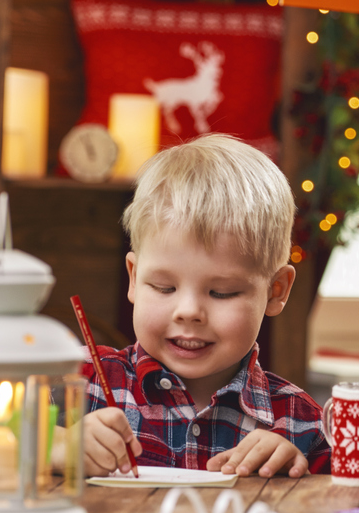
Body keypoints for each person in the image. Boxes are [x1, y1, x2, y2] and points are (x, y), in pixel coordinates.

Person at [80, 134, 331, 478]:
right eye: (164, 287)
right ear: (134, 278)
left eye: (222, 292)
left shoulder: (303, 424)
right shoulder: (77, 385)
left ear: (275, 291)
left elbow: (340, 512)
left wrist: (296, 476)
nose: (188, 311)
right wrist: (56, 446)